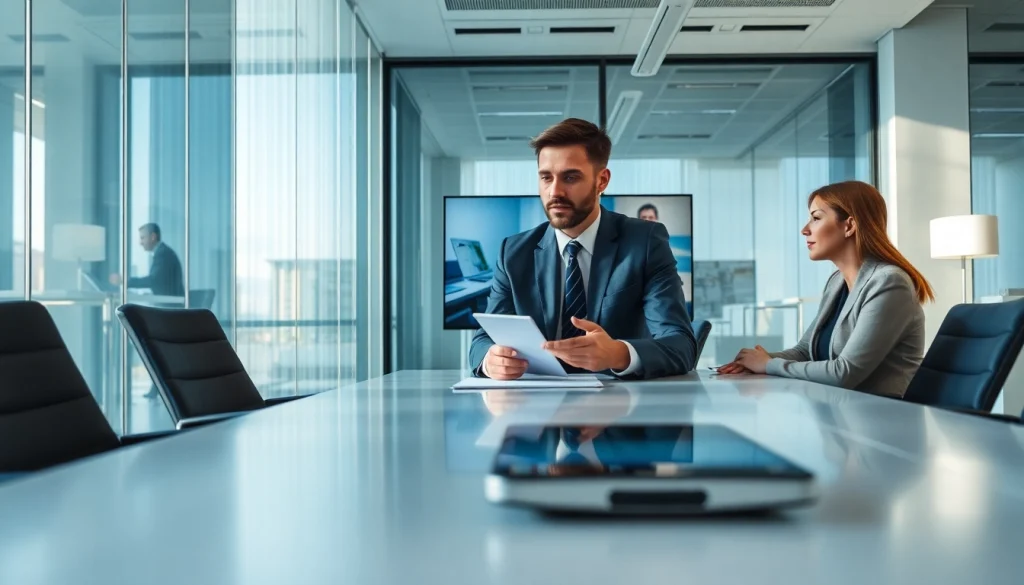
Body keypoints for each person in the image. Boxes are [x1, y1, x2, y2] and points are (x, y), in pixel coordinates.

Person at [468, 118, 697, 380]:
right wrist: (491, 360)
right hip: (533, 405)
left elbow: (681, 345)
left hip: (621, 405)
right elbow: (483, 340)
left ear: (602, 181)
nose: (555, 191)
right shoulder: (513, 252)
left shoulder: (644, 242)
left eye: (571, 177)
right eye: (546, 177)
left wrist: (618, 354)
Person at [717, 181, 933, 398]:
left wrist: (768, 364)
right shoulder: (837, 282)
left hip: (880, 418)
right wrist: (753, 362)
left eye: (816, 218)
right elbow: (805, 351)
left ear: (849, 226)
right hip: (842, 411)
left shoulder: (889, 283)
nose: (805, 229)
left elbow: (845, 372)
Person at [109, 223, 184, 297]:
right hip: (171, 304)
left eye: (142, 238)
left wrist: (125, 281)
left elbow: (153, 281)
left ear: (153, 237)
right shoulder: (163, 252)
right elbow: (160, 283)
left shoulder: (163, 254)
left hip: (172, 306)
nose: (140, 243)